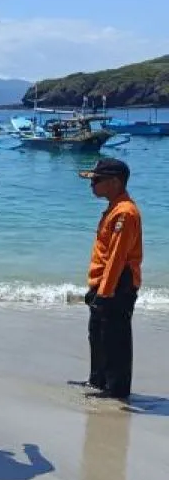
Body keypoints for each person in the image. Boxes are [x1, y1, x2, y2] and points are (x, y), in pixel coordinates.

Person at [79, 157, 142, 400]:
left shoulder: (125, 213)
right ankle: (98, 379)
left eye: (97, 180)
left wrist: (105, 293)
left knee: (115, 337)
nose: (92, 185)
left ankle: (116, 388)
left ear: (115, 182)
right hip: (104, 281)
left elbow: (117, 257)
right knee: (98, 332)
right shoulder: (114, 208)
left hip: (119, 283)